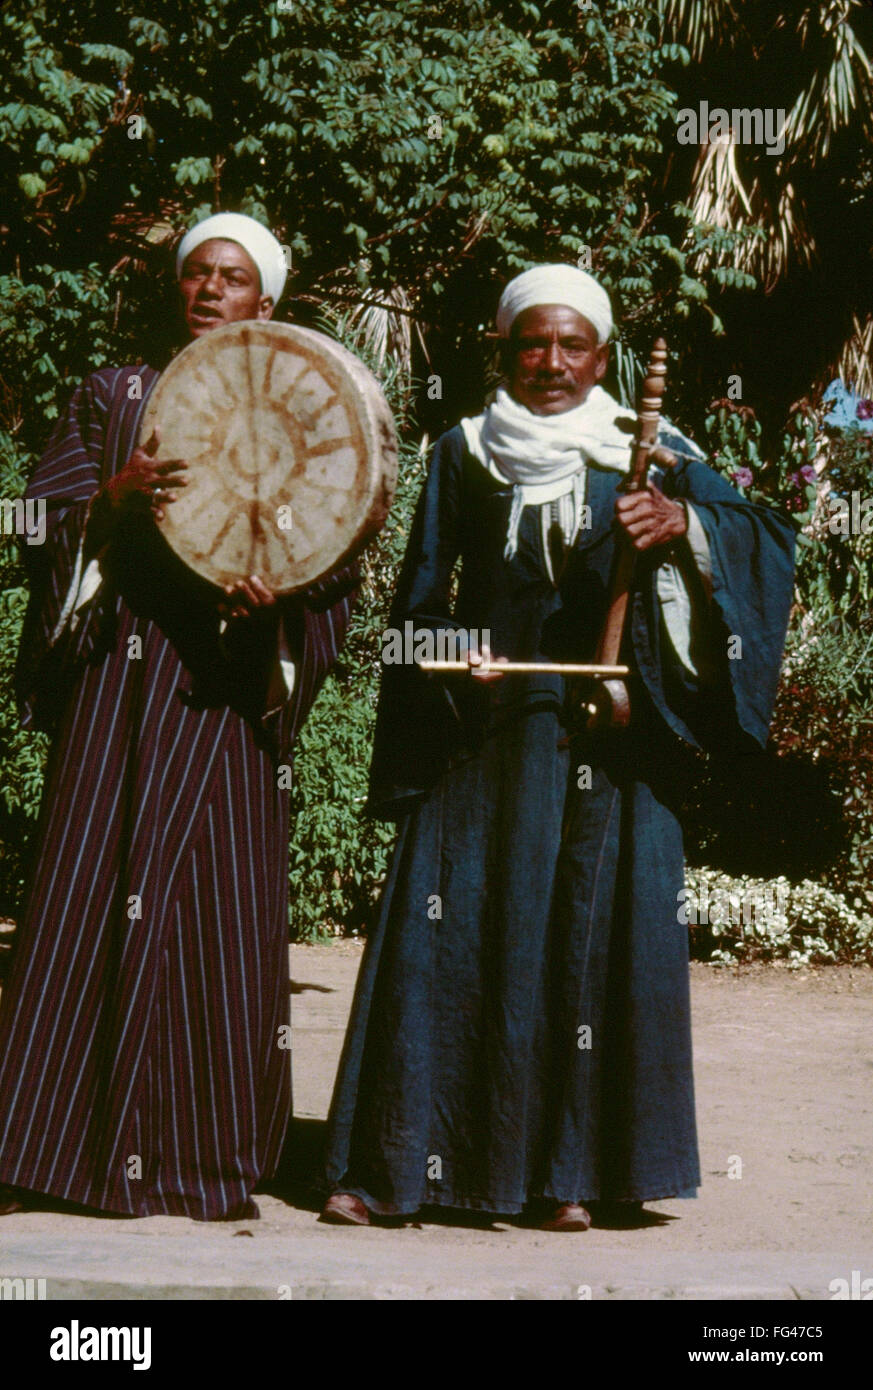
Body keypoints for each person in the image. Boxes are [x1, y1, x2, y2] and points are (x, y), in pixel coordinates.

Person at [321, 264, 794, 1230]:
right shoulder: (462, 452)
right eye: (532, 342)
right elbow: (417, 604)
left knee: (580, 937)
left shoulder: (647, 451)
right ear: (502, 350)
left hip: (607, 744)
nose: (551, 362)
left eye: (571, 344)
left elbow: (764, 542)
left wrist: (681, 523)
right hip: (482, 737)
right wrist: (455, 655)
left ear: (603, 356)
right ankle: (396, 1166)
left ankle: (566, 1174)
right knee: (446, 933)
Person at [0, 213, 359, 1221]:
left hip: (229, 696)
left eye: (232, 277)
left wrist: (278, 605)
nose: (209, 290)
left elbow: (335, 552)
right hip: (120, 690)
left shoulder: (305, 407)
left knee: (221, 919)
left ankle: (204, 1159)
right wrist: (109, 505)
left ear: (267, 302)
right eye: (196, 273)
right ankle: (54, 1150)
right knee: (87, 890)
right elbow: (41, 526)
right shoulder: (117, 396)